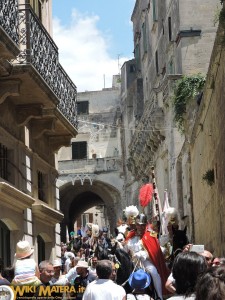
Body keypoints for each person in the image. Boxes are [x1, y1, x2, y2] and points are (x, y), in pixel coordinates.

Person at [125, 213, 170, 300]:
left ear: (145, 225)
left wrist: (143, 254)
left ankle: (159, 296)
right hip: (132, 261)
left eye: (143, 225)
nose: (141, 227)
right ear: (136, 225)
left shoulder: (151, 235)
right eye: (139, 225)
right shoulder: (130, 235)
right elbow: (126, 249)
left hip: (145, 261)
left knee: (154, 272)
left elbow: (154, 251)